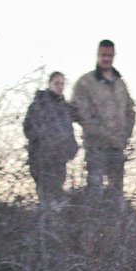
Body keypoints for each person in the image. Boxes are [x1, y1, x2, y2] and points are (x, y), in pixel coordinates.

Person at [71, 39, 135, 201]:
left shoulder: (120, 84)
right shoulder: (85, 83)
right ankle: (92, 224)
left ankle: (115, 225)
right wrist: (102, 133)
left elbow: (130, 110)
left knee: (116, 193)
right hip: (95, 146)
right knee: (95, 190)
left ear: (114, 56)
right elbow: (79, 113)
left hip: (117, 148)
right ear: (97, 55)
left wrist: (125, 135)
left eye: (109, 55)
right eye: (103, 55)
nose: (106, 59)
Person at [22, 72, 80, 207]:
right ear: (49, 84)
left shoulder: (64, 107)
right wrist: (42, 144)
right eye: (56, 83)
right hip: (42, 160)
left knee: (58, 198)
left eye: (62, 84)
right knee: (47, 199)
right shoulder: (39, 104)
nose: (60, 87)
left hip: (59, 159)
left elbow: (77, 119)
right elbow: (28, 128)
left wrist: (71, 149)